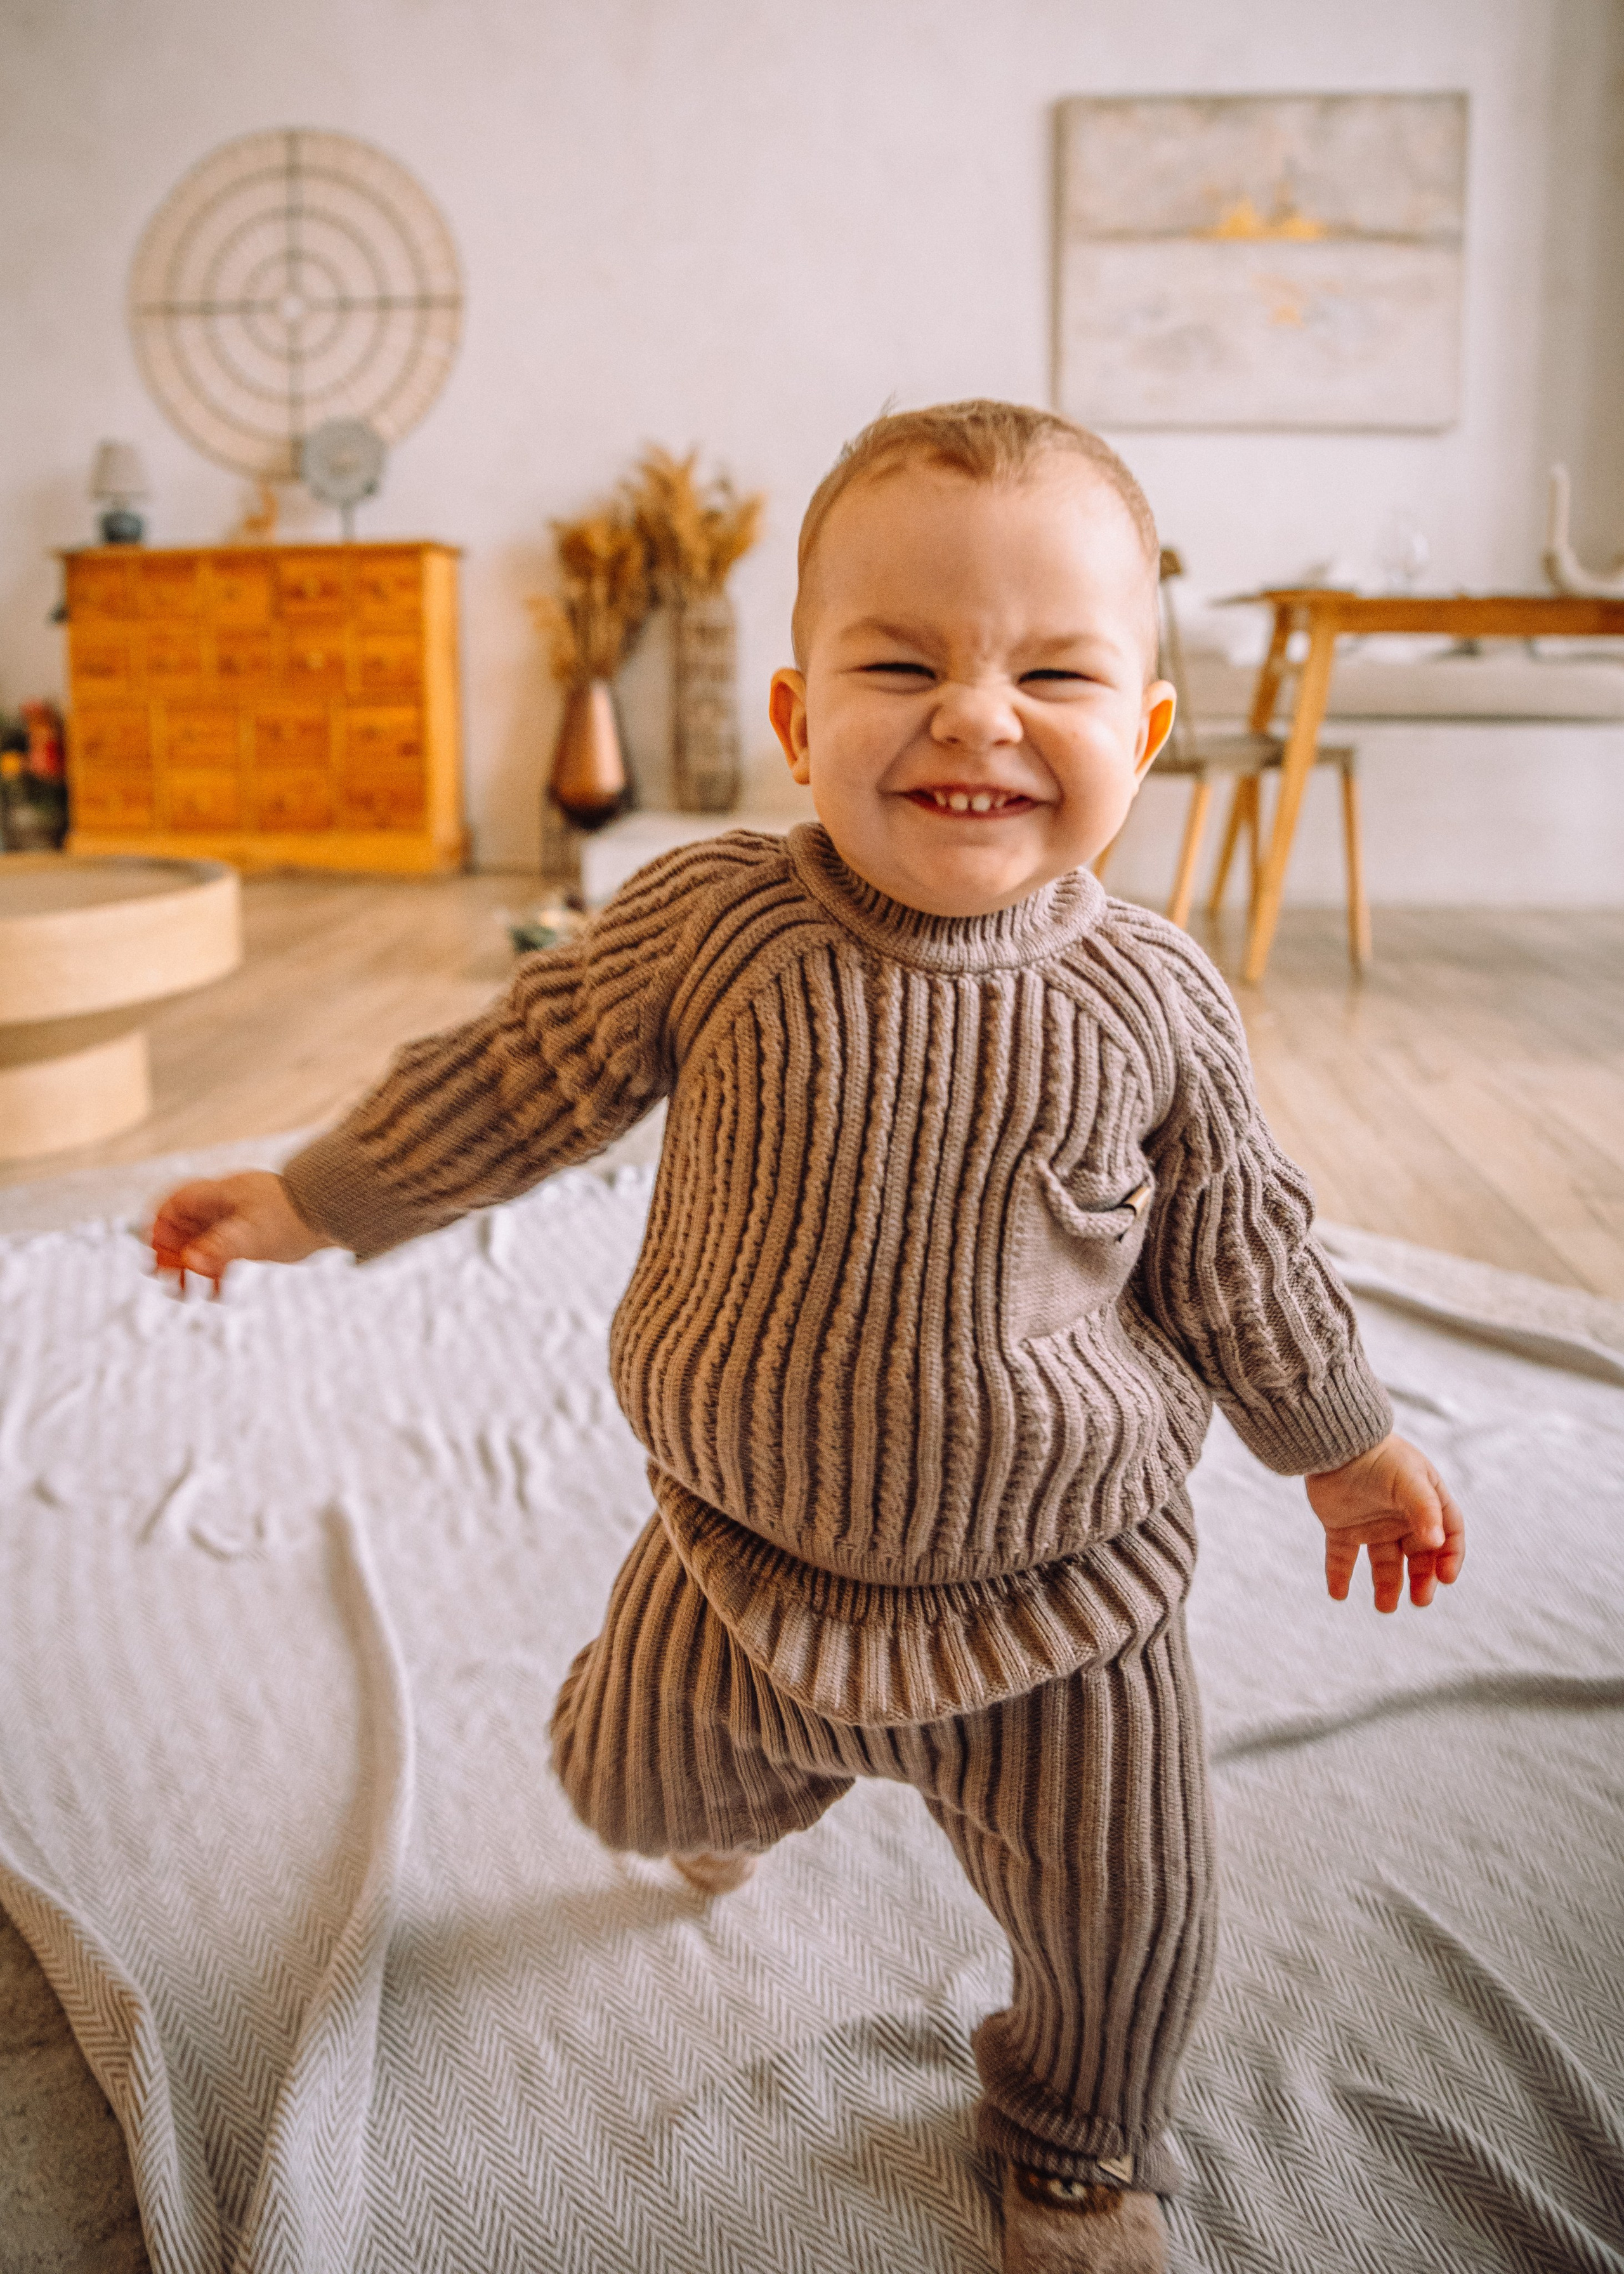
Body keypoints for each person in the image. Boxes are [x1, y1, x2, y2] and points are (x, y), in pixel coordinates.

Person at [149, 401, 1465, 2274]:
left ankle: (1075, 2152)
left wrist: (1345, 1439)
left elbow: (1243, 1252)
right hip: (748, 1550)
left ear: (1148, 737)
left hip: (1062, 1590)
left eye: (1058, 672)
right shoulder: (714, 928)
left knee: (1133, 1917)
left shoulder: (1152, 1002)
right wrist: (313, 1199)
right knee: (620, 1784)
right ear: (794, 720)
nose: (978, 714)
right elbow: (518, 1079)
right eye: (903, 662)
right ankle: (765, 1781)